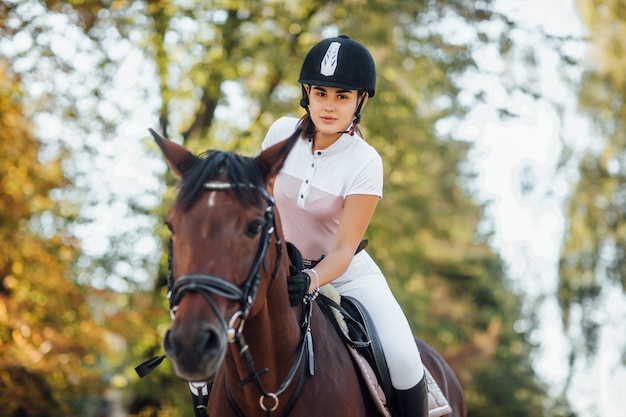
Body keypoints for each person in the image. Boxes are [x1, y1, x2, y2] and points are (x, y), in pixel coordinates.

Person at [261, 35, 428, 417]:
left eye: (341, 96)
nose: (329, 106)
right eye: (321, 93)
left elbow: (342, 250)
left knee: (404, 360)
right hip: (278, 267)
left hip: (344, 272)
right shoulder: (280, 134)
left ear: (360, 101)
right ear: (307, 93)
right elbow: (259, 210)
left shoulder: (365, 162)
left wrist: (312, 280)